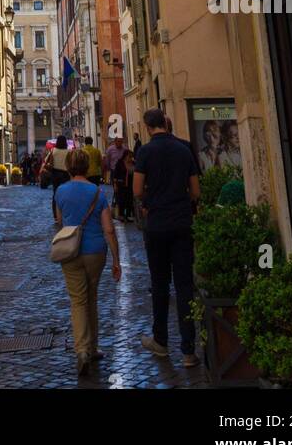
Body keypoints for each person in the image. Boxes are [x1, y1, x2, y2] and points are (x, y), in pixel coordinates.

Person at [133, 108, 200, 368]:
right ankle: (188, 351)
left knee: (160, 285)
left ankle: (161, 341)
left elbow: (138, 190)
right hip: (183, 223)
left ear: (148, 127)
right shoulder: (184, 149)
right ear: (165, 124)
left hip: (158, 225)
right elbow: (195, 191)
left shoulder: (145, 152)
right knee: (185, 287)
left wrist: (151, 201)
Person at [54, 148, 122, 376]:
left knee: (78, 301)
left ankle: (82, 349)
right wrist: (116, 259)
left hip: (70, 252)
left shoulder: (61, 192)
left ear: (69, 167)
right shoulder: (97, 192)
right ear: (86, 166)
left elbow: (60, 220)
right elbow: (109, 229)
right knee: (91, 297)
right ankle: (92, 347)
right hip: (95, 251)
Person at [42, 134, 70, 215]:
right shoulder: (68, 152)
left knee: (56, 194)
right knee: (66, 194)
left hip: (55, 174)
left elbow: (46, 161)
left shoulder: (53, 150)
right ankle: (65, 212)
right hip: (66, 175)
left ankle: (55, 214)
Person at [113, 147, 134, 221]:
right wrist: (115, 185)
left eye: (131, 157)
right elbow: (115, 174)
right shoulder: (120, 163)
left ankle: (128, 215)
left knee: (129, 200)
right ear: (125, 156)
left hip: (130, 185)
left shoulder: (133, 163)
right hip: (121, 184)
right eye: (129, 156)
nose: (130, 158)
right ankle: (121, 215)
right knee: (121, 200)